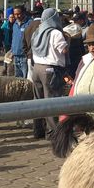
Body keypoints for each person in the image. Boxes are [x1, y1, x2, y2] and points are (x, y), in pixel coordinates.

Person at [30, 8, 69, 138]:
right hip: (50, 70)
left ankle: (38, 130)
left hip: (36, 69)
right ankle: (54, 133)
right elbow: (63, 50)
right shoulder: (55, 33)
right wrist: (69, 40)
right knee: (52, 101)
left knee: (38, 101)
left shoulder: (37, 32)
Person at [11, 5, 32, 78]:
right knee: (17, 77)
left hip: (24, 56)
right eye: (15, 14)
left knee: (25, 77)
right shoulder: (15, 24)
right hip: (16, 55)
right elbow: (14, 38)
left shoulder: (29, 23)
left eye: (18, 14)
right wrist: (12, 51)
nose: (17, 16)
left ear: (23, 13)